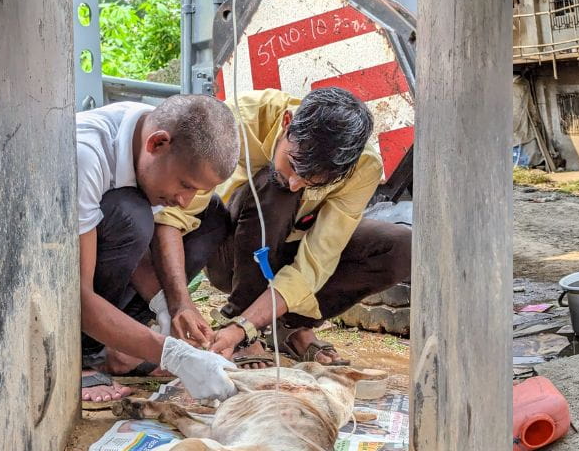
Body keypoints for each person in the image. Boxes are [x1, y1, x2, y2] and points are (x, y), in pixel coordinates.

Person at [152, 87, 411, 366]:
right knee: (279, 188)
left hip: (292, 249)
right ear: (287, 122)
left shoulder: (363, 167)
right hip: (231, 253)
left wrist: (245, 327)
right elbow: (172, 218)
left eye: (316, 181)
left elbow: (317, 260)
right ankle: (243, 327)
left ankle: (290, 326)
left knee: (401, 246)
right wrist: (180, 304)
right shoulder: (235, 122)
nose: (296, 182)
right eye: (294, 164)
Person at [76, 94, 242, 404]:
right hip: (64, 295)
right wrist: (172, 355)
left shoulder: (152, 140)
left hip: (103, 270)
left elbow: (133, 254)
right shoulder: (86, 155)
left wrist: (171, 308)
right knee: (132, 215)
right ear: (157, 144)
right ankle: (88, 354)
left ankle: (124, 344)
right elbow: (79, 298)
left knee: (212, 217)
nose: (185, 201)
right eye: (186, 185)